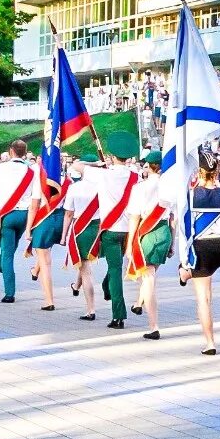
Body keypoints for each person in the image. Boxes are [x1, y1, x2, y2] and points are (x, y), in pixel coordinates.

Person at [178, 150, 220, 354]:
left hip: (203, 248)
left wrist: (185, 260)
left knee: (204, 298)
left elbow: (186, 232)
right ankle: (185, 273)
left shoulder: (193, 196)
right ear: (216, 170)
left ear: (199, 172)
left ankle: (210, 343)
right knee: (206, 283)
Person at [84, 133, 141, 329]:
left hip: (110, 229)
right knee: (116, 267)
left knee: (115, 270)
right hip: (129, 228)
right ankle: (107, 286)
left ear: (112, 156)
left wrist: (99, 166)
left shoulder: (103, 174)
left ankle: (118, 315)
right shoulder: (136, 175)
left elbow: (77, 167)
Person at [124, 150, 174, 341]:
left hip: (147, 233)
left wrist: (129, 245)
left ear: (148, 166)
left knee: (148, 279)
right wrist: (172, 244)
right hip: (164, 232)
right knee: (149, 275)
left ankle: (154, 326)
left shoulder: (140, 188)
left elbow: (134, 218)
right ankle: (138, 303)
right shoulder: (169, 187)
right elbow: (173, 219)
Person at [0, 140, 35, 305]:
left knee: (7, 255)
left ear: (11, 151)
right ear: (25, 152)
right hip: (25, 215)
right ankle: (1, 261)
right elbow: (35, 198)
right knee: (10, 250)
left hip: (8, 214)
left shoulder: (1, 167)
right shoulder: (32, 169)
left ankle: (9, 293)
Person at [62, 151, 104, 322]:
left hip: (80, 227)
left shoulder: (74, 187)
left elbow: (68, 214)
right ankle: (76, 285)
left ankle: (91, 309)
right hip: (98, 227)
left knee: (85, 270)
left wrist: (64, 235)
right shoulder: (103, 186)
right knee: (84, 262)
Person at [25, 154, 66, 311]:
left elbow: (34, 207)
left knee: (45, 261)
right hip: (60, 219)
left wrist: (28, 229)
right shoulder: (66, 179)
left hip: (44, 221)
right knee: (45, 251)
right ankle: (35, 270)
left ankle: (49, 300)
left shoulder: (40, 181)